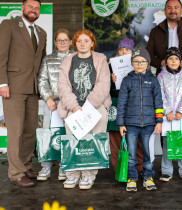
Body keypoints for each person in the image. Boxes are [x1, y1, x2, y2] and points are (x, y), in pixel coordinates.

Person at [0, 0, 47, 187]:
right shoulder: (9, 25)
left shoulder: (42, 32)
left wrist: (41, 86)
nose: (34, 10)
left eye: (37, 8)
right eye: (30, 6)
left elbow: (40, 63)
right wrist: (2, 83)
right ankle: (15, 173)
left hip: (33, 89)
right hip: (13, 87)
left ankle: (25, 165)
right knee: (15, 131)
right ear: (22, 7)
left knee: (30, 130)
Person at [146, 0, 182, 172]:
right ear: (165, 10)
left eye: (176, 7)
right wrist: (161, 63)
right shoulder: (156, 31)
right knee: (166, 124)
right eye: (169, 8)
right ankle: (167, 164)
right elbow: (148, 55)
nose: (173, 10)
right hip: (164, 80)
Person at [57, 29, 111, 190]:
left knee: (92, 142)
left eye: (86, 41)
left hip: (95, 107)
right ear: (75, 44)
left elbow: (103, 84)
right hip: (74, 108)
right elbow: (63, 87)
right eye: (79, 41)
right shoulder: (68, 61)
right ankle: (72, 175)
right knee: (73, 142)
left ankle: (88, 175)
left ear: (92, 43)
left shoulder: (101, 59)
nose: (82, 44)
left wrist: (89, 105)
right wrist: (74, 106)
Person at [117, 48, 163, 192]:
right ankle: (132, 178)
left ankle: (148, 176)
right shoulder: (127, 80)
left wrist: (159, 121)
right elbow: (121, 103)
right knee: (131, 154)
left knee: (148, 153)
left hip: (149, 124)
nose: (139, 64)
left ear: (147, 63)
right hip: (130, 124)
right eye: (136, 61)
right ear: (132, 63)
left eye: (142, 61)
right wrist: (121, 123)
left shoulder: (153, 80)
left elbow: (158, 102)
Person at [36, 28, 74, 181]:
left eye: (65, 40)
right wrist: (48, 98)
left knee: (67, 134)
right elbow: (42, 80)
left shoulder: (76, 58)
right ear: (55, 42)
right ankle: (45, 166)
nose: (62, 43)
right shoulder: (47, 59)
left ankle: (64, 166)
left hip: (70, 103)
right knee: (47, 134)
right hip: (52, 103)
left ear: (70, 42)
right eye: (59, 40)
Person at [108, 38, 144, 173]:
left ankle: (139, 166)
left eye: (127, 49)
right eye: (121, 49)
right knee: (117, 139)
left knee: (136, 137)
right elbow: (106, 88)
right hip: (116, 103)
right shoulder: (111, 65)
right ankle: (120, 168)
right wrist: (111, 81)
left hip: (133, 104)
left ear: (132, 51)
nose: (124, 52)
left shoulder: (138, 65)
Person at [157, 47, 182, 182]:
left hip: (180, 117)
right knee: (167, 144)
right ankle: (166, 171)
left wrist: (180, 111)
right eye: (170, 58)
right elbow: (160, 95)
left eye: (176, 58)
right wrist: (167, 111)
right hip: (167, 118)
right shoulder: (161, 77)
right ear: (165, 61)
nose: (173, 61)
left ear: (180, 61)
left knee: (181, 142)